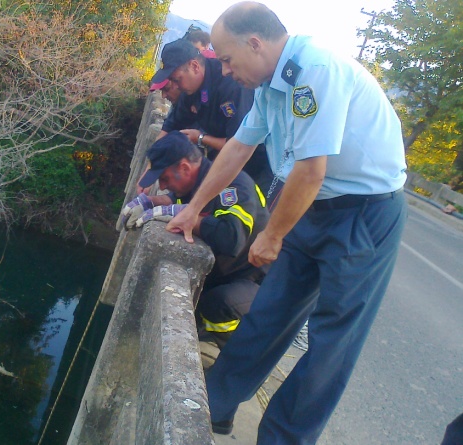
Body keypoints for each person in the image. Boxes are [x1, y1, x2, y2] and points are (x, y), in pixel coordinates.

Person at [165, 2, 408, 442]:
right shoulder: (268, 85)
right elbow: (238, 147)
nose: (224, 67)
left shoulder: (314, 71)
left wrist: (272, 234)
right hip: (311, 205)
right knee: (272, 309)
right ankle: (216, 405)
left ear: (255, 43)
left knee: (331, 341)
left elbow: (311, 168)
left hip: (364, 214)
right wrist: (192, 208)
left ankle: (282, 438)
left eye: (227, 57)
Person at [119, 131, 270, 347]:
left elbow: (232, 239)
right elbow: (176, 198)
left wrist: (187, 217)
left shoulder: (234, 186)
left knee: (216, 305)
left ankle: (237, 353)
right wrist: (150, 202)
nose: (162, 185)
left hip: (253, 279)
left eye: (164, 178)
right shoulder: (200, 179)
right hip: (222, 272)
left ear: (184, 168)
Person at [142, 38, 274, 201]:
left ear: (194, 66)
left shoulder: (230, 87)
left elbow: (239, 145)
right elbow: (169, 127)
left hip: (258, 166)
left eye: (177, 79)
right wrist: (150, 169)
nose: (176, 86)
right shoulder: (190, 91)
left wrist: (202, 138)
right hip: (223, 163)